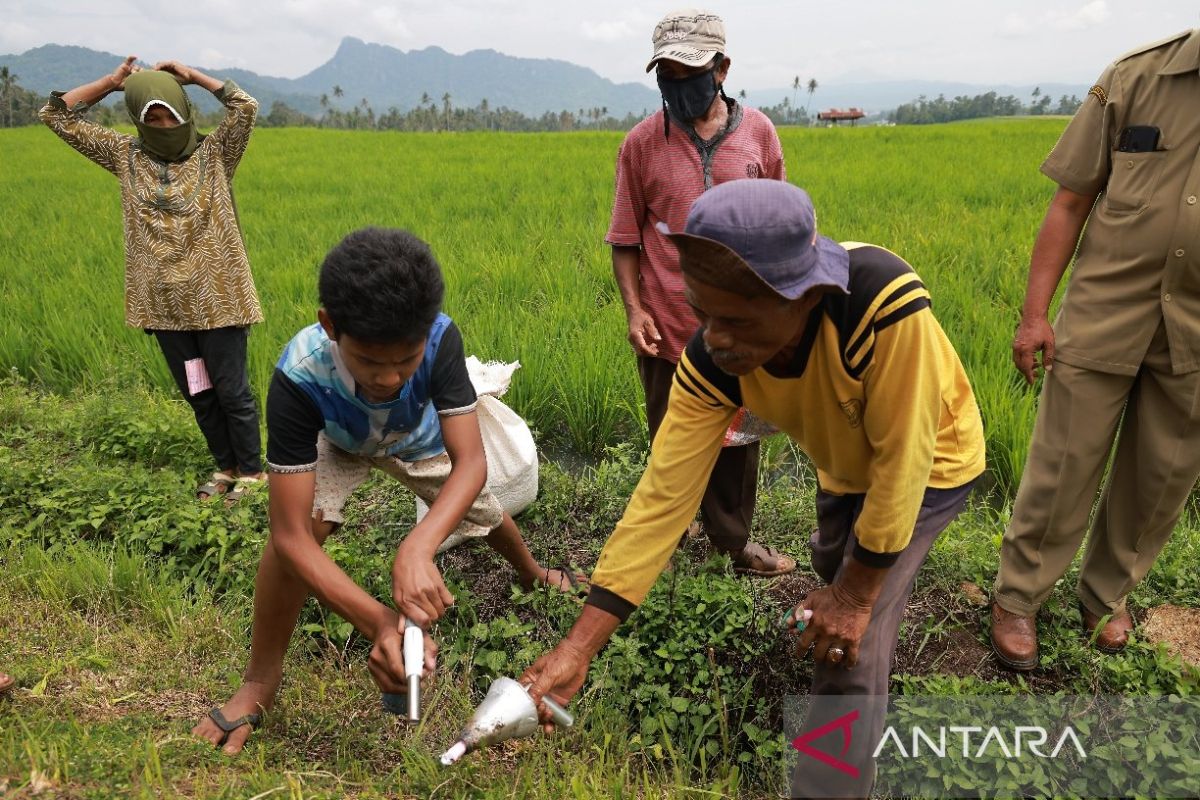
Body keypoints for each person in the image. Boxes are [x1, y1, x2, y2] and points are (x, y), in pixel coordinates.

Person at [523, 180, 986, 798]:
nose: (714, 336)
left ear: (805, 296)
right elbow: (661, 501)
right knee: (834, 567)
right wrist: (578, 647)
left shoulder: (879, 303)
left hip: (931, 464)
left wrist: (854, 598)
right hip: (844, 462)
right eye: (702, 312)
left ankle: (829, 786)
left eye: (736, 319)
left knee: (850, 640)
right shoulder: (714, 362)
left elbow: (903, 462)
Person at [192, 228, 574, 754]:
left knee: (485, 513)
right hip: (339, 439)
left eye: (406, 361)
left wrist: (416, 547)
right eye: (370, 362)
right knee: (300, 536)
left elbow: (471, 466)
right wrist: (379, 621)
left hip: (417, 440)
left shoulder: (440, 340)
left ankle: (532, 574)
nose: (390, 378)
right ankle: (259, 682)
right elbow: (288, 536)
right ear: (330, 326)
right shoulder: (300, 377)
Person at [990, 28, 1200, 670]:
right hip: (1105, 310)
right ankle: (1018, 597)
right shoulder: (1138, 79)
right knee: (1063, 462)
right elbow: (1071, 200)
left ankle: (1107, 594)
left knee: (1160, 478)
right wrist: (1034, 316)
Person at [608, 9, 792, 576]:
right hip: (669, 327)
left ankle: (733, 542)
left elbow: (782, 225)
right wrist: (636, 311)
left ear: (721, 69)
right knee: (671, 443)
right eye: (666, 74)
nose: (677, 87)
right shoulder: (641, 145)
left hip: (741, 331)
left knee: (738, 444)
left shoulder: (758, 134)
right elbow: (624, 238)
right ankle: (670, 533)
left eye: (689, 73)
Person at [39, 57, 266, 503]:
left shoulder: (214, 154)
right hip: (163, 306)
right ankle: (225, 468)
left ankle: (254, 475)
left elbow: (246, 108)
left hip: (218, 299)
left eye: (170, 115)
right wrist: (112, 81)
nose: (163, 125)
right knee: (199, 392)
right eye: (151, 118)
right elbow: (55, 115)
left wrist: (194, 77)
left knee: (232, 392)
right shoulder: (125, 156)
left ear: (184, 112)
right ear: (137, 122)